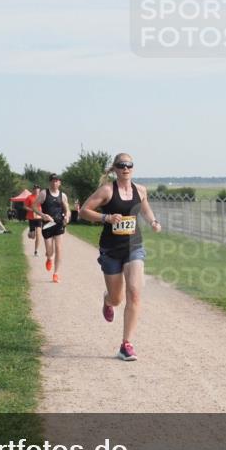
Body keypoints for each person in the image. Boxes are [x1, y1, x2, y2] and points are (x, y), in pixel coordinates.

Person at [79, 153, 161, 361]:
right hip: (111, 249)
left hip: (134, 247)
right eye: (121, 165)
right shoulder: (107, 190)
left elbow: (145, 209)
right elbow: (84, 211)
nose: (126, 168)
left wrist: (153, 222)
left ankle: (126, 344)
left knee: (134, 293)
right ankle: (107, 300)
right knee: (117, 298)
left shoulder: (140, 190)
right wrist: (106, 217)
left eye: (129, 165)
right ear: (115, 168)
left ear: (133, 168)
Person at [35, 173, 70, 283]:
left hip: (59, 224)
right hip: (47, 224)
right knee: (50, 252)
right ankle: (49, 258)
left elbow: (67, 209)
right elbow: (34, 206)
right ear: (50, 182)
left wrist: (67, 217)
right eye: (53, 181)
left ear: (60, 183)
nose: (55, 183)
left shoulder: (63, 196)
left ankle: (56, 273)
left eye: (57, 181)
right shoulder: (44, 193)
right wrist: (42, 215)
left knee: (59, 248)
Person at [25, 185, 44, 255]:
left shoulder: (41, 198)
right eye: (35, 189)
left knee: (38, 235)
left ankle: (36, 251)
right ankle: (30, 233)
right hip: (31, 218)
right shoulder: (29, 197)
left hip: (39, 218)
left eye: (38, 189)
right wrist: (32, 210)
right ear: (33, 190)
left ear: (39, 190)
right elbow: (25, 206)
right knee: (32, 236)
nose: (36, 190)